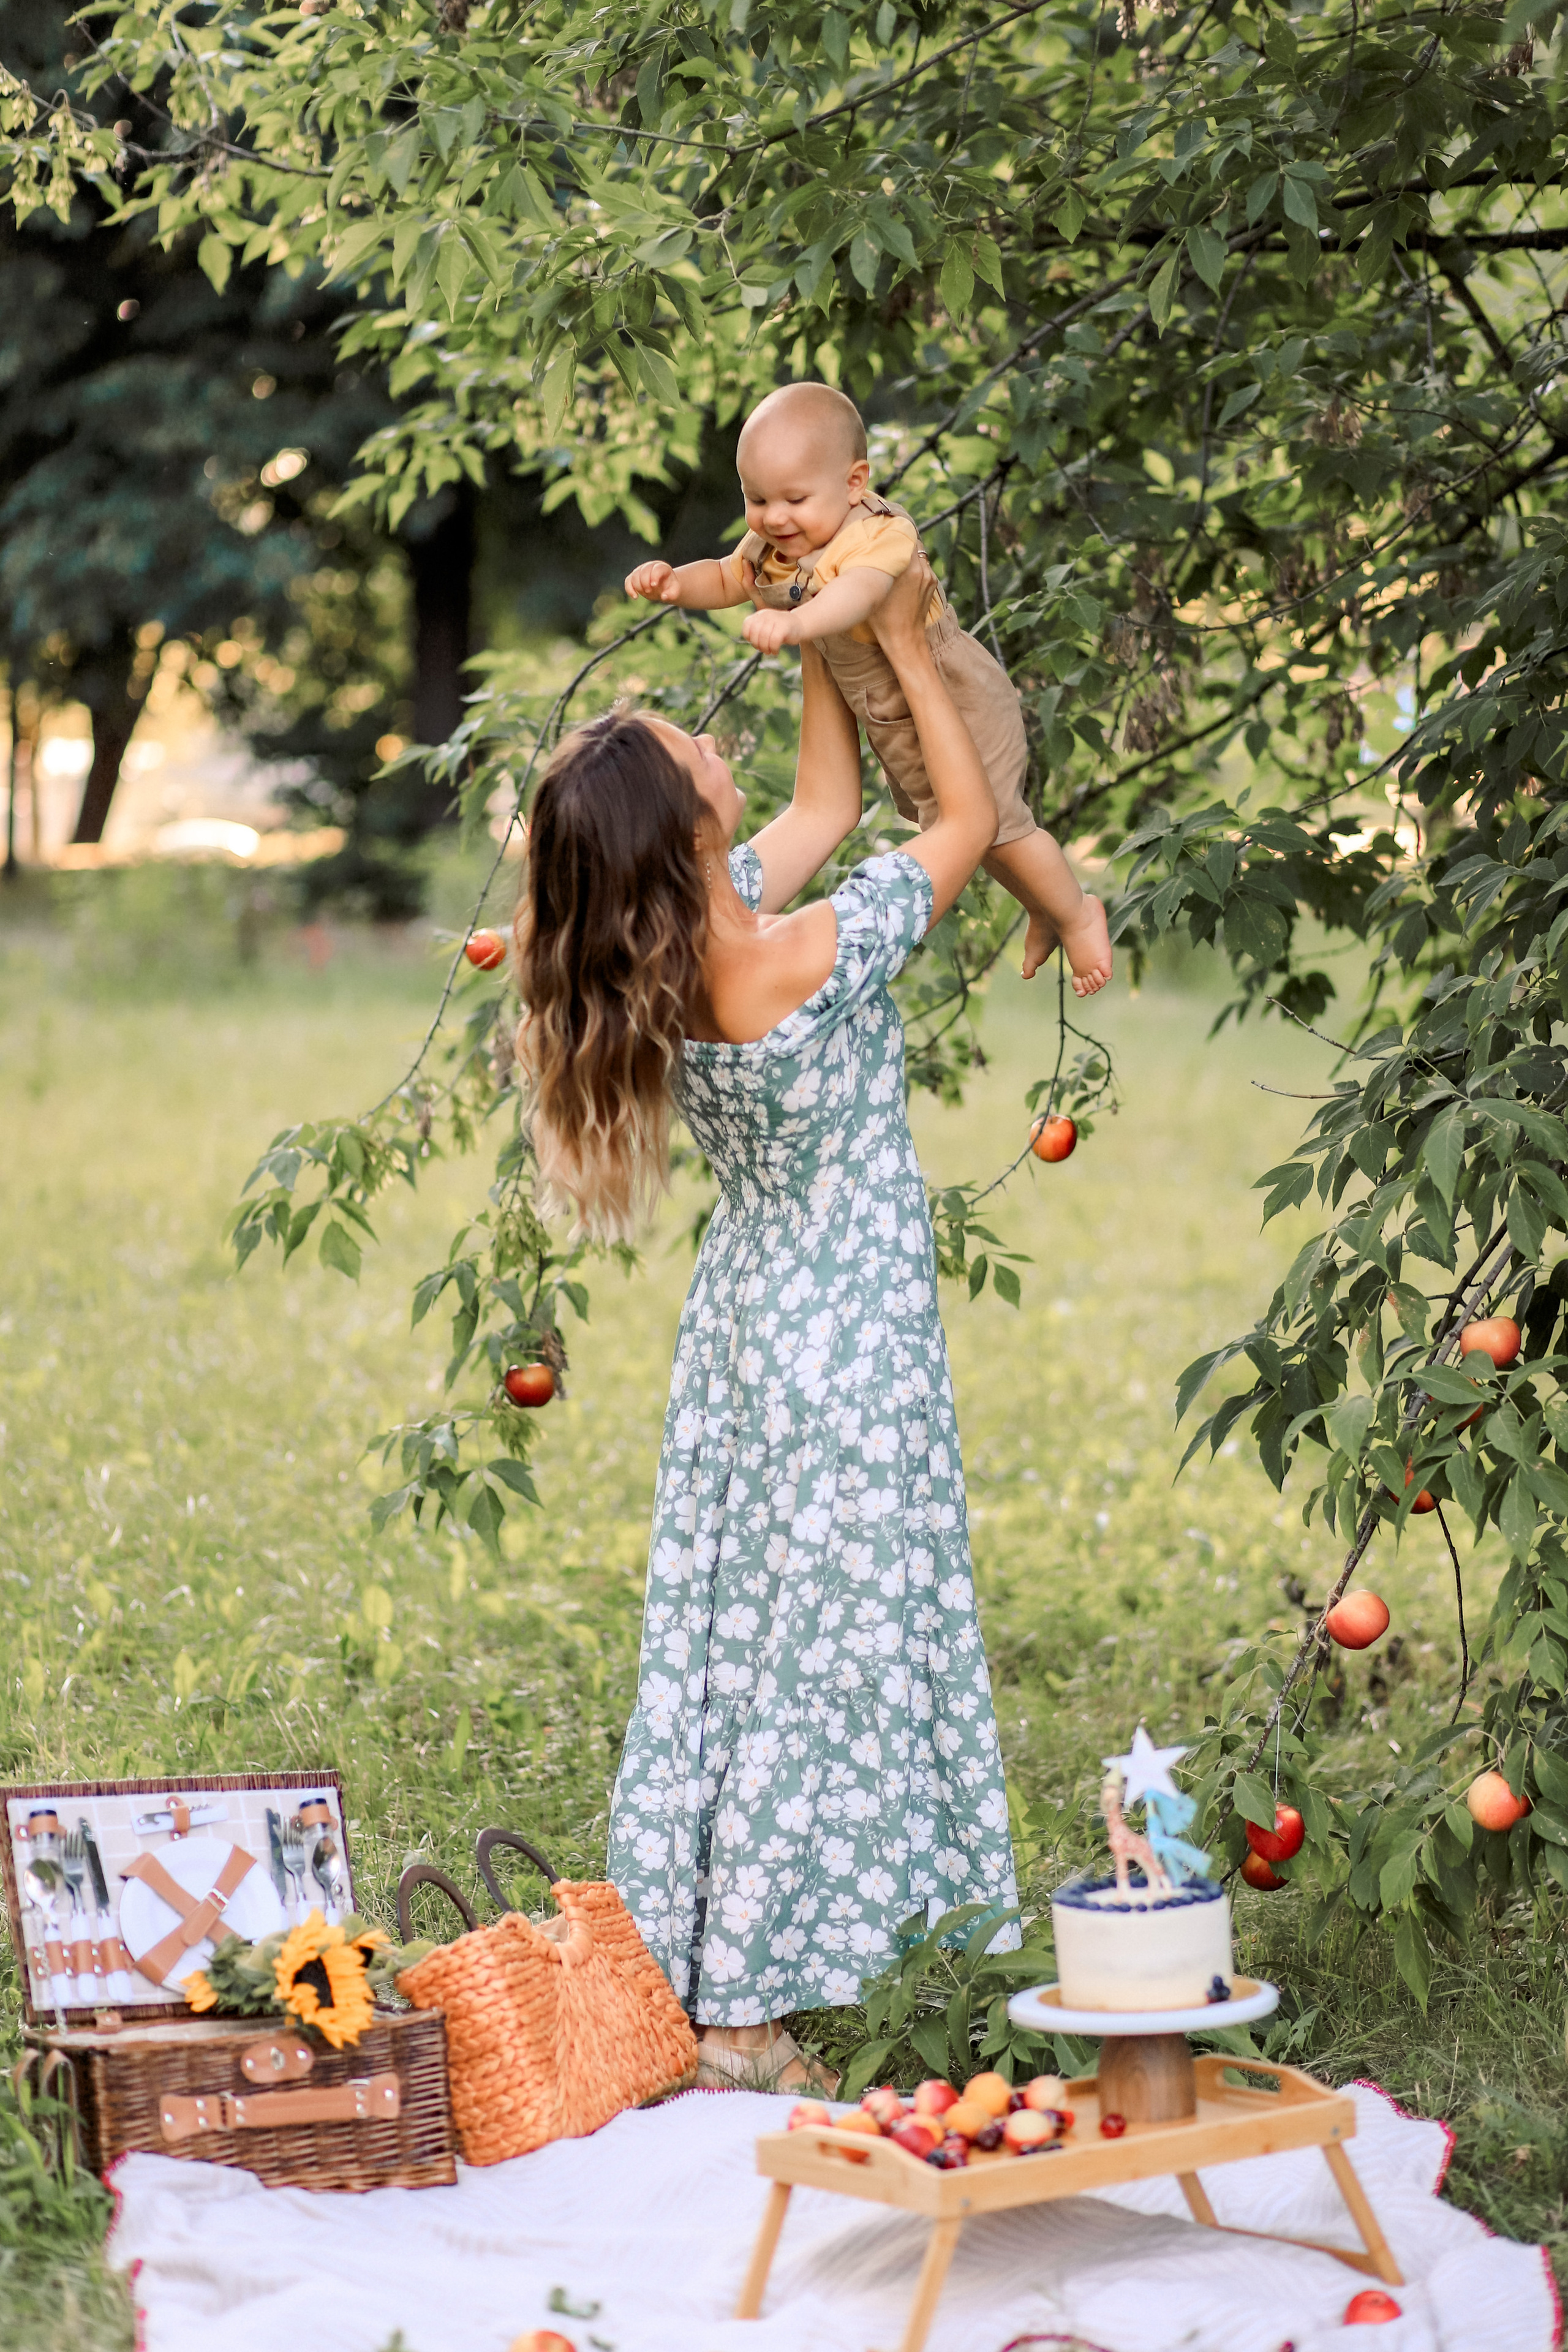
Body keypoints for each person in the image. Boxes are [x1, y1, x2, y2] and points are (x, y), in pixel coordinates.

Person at [514, 557, 1019, 2092]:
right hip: (842, 1326)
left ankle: (719, 1962)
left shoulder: (692, 944)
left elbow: (823, 794)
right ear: (686, 830)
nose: (709, 744)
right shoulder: (797, 951)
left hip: (751, 1320)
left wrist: (813, 627)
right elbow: (964, 826)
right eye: (689, 751)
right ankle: (744, 2007)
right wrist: (901, 643)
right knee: (822, 1646)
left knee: (743, 1635)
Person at [624, 378, 1112, 998]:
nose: (773, 517)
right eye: (756, 499)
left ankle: (1075, 912)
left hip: (951, 697)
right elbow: (726, 577)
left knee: (999, 825)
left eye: (794, 499)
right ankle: (1044, 907)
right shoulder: (778, 541)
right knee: (968, 831)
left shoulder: (874, 535)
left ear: (854, 483)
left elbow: (859, 595)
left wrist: (798, 623)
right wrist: (676, 586)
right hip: (892, 713)